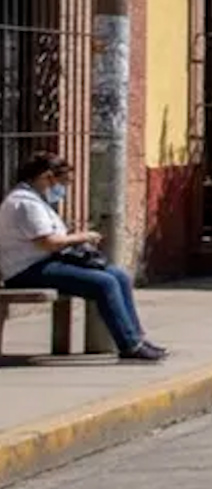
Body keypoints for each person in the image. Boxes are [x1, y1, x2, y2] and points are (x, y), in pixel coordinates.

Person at [0, 153, 166, 362]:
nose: (63, 190)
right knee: (104, 283)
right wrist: (82, 237)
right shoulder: (24, 204)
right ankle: (129, 344)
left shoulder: (35, 201)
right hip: (27, 270)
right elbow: (48, 242)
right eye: (62, 183)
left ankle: (137, 337)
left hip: (46, 262)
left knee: (119, 276)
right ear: (46, 177)